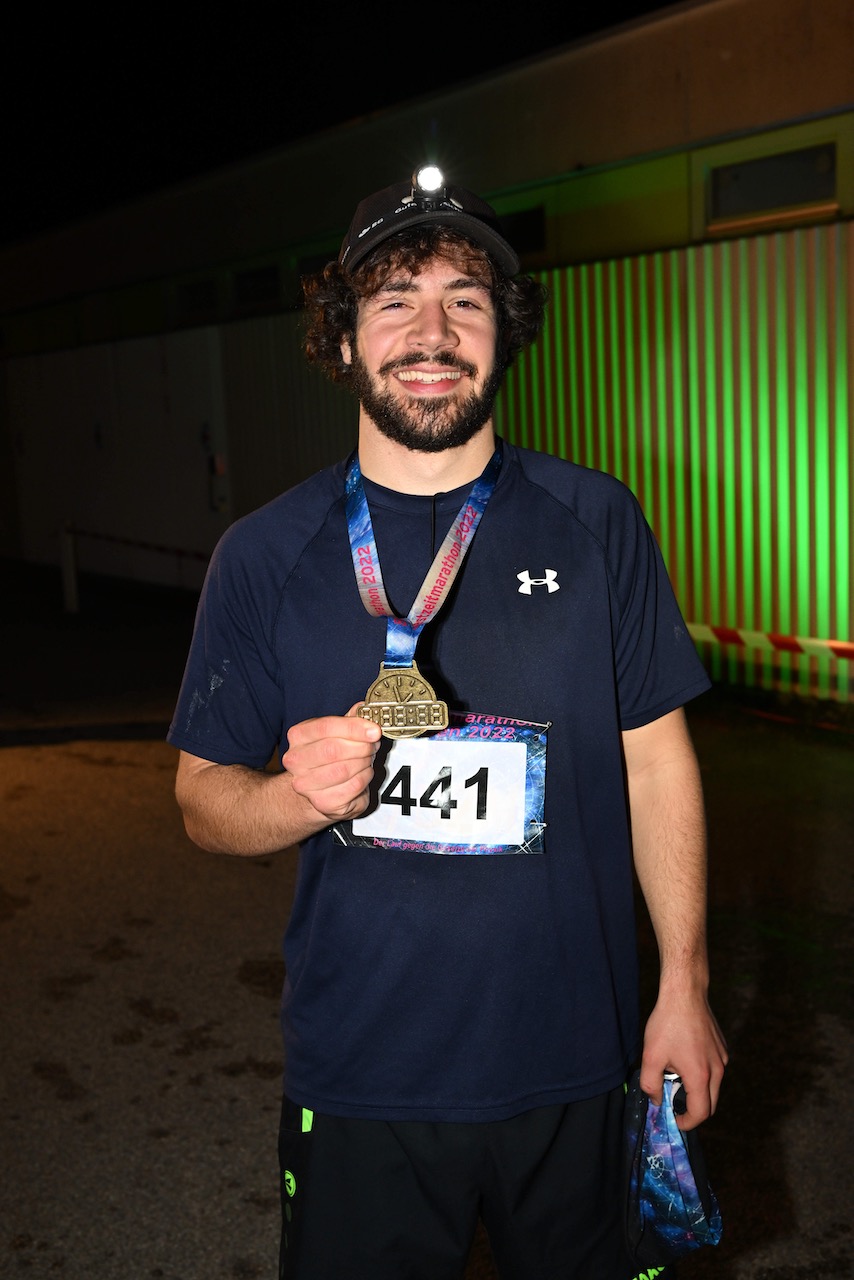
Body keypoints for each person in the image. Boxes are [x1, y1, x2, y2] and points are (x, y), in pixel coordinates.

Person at [168, 164, 728, 1280]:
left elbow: (656, 764)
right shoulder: (264, 557)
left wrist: (684, 983)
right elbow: (198, 798)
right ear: (339, 340)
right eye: (393, 300)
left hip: (577, 1062)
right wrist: (291, 796)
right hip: (362, 1076)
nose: (432, 330)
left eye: (464, 299)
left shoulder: (594, 520)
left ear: (502, 331)